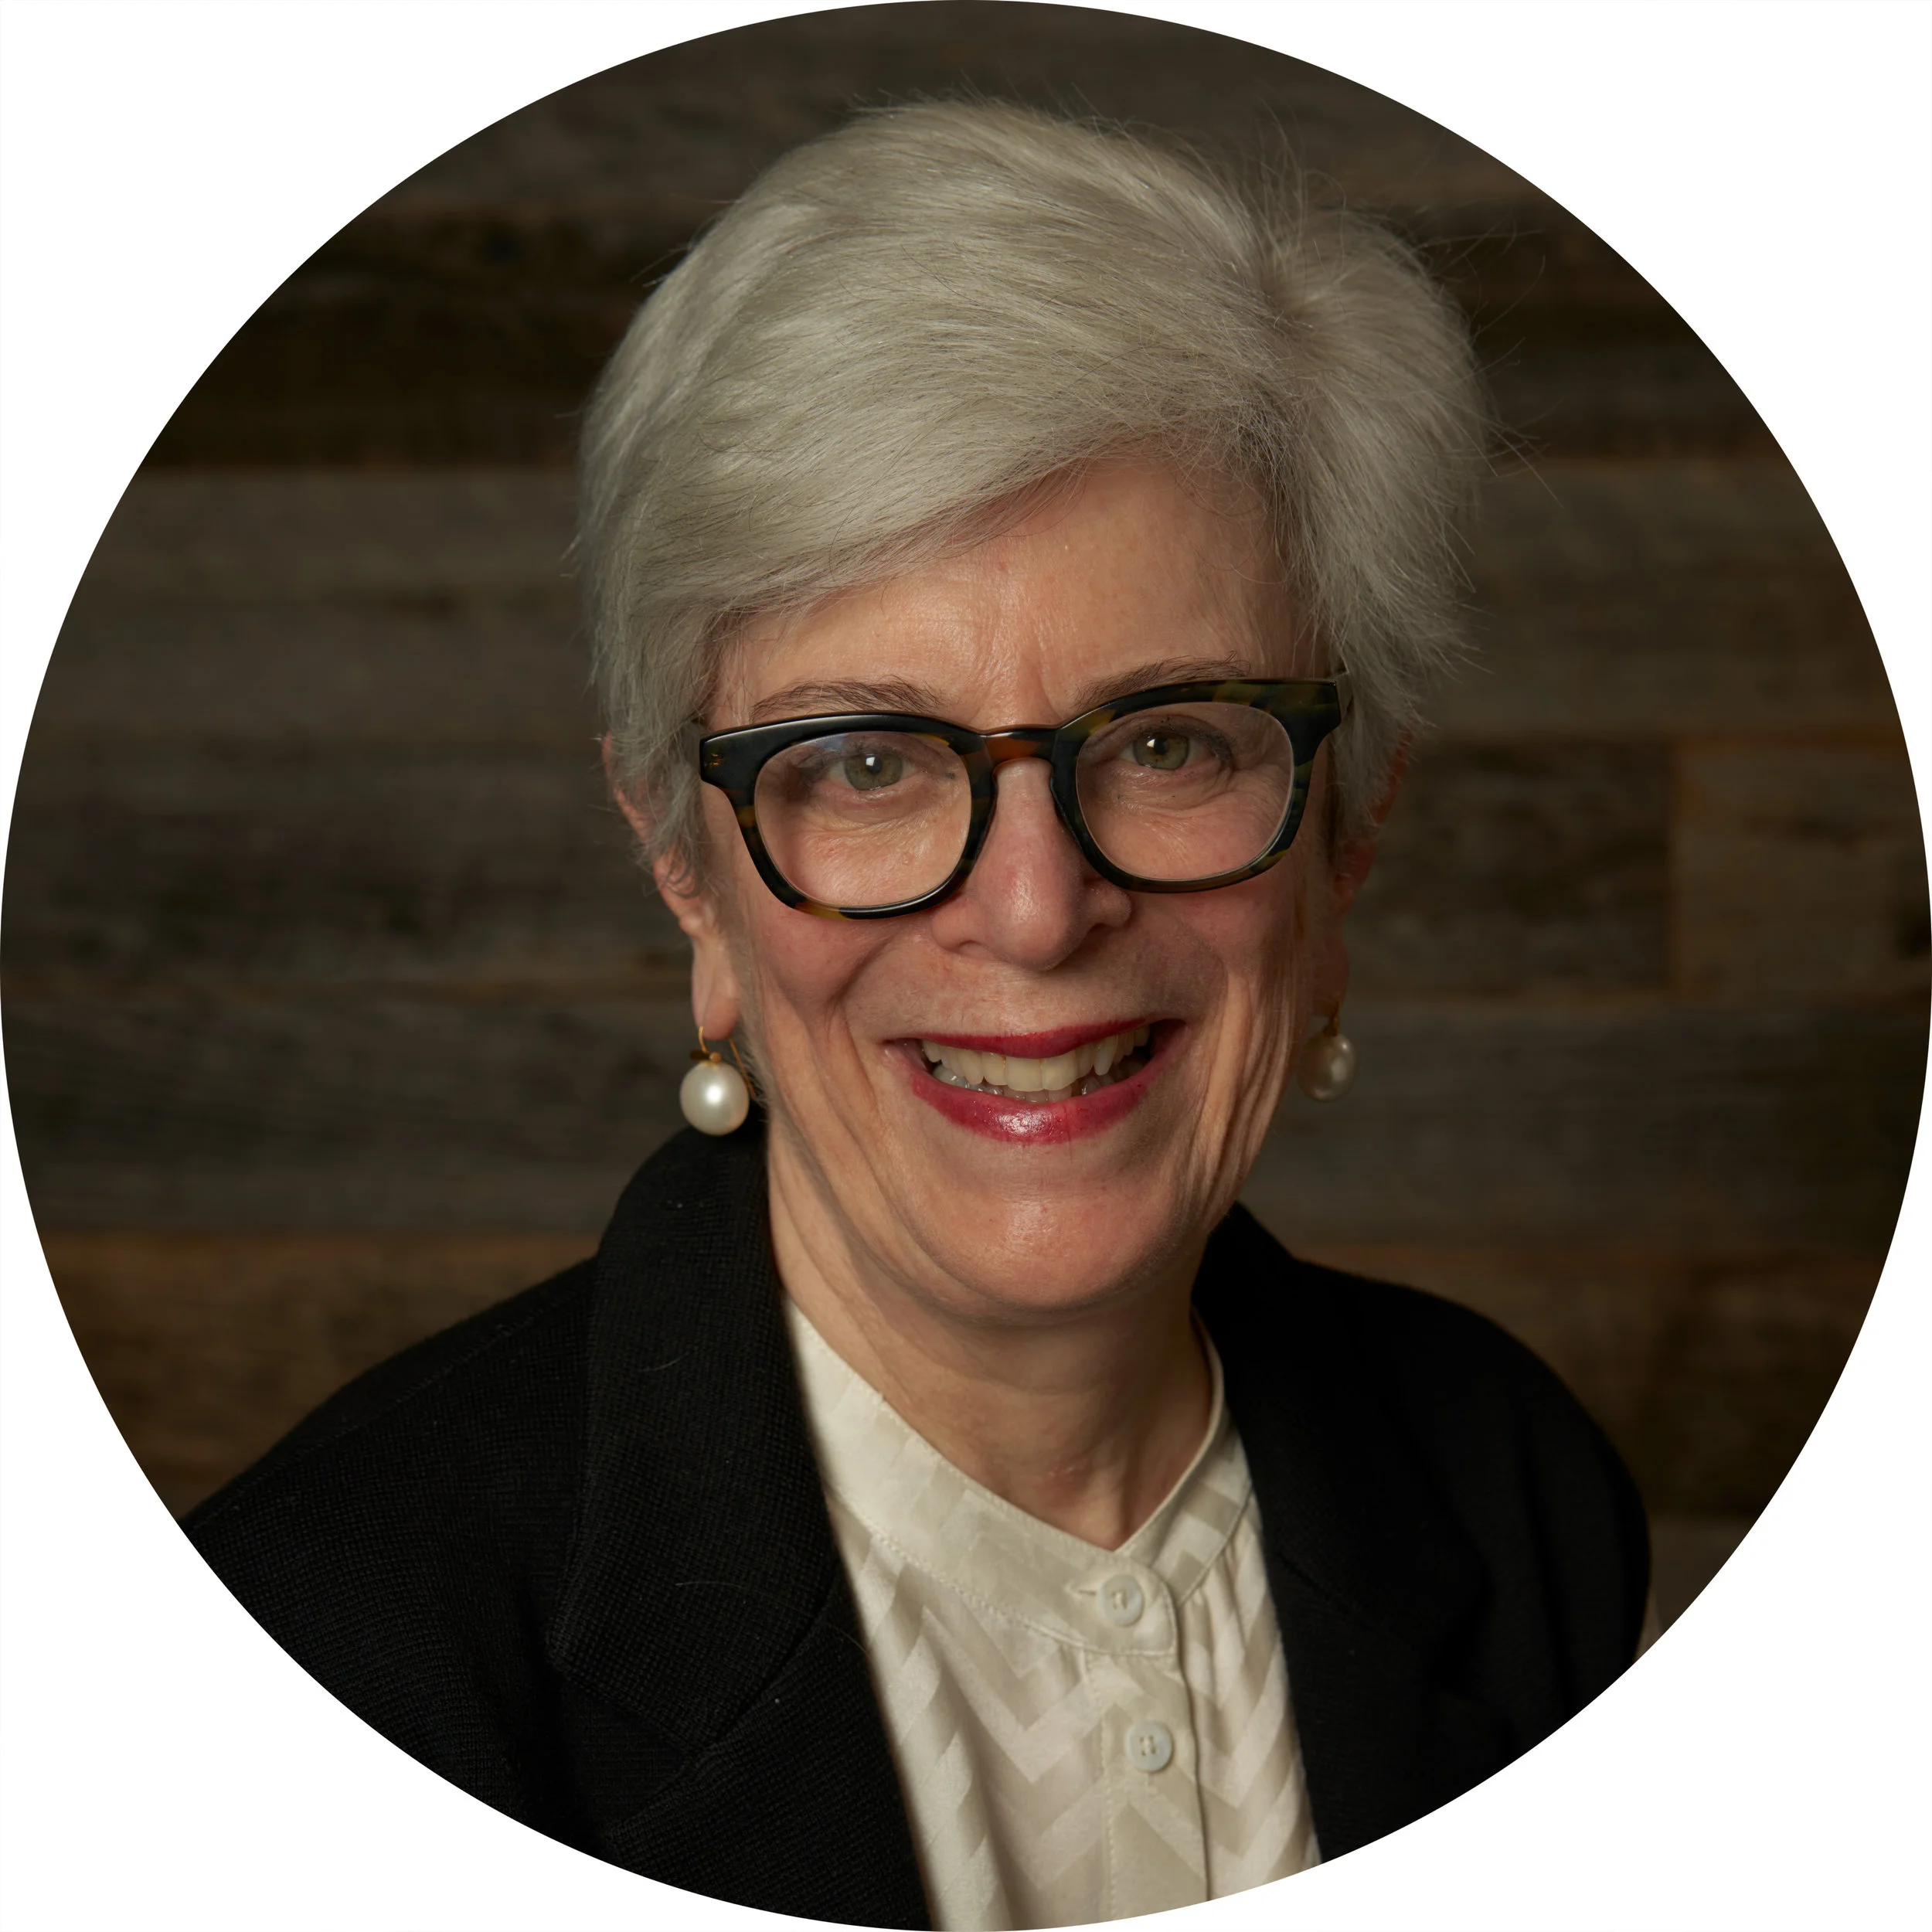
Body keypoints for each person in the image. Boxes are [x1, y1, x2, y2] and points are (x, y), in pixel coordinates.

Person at [186, 102, 1650, 1930]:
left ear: (1345, 832)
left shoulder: (1514, 1490)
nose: (1032, 910)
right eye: (867, 759)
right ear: (684, 863)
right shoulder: (321, 1647)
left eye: (1168, 740)